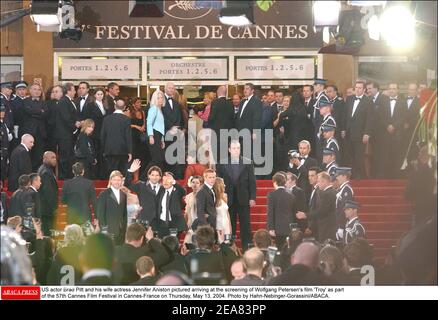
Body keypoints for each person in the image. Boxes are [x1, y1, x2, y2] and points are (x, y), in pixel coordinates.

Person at [216, 140, 256, 251]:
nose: (236, 150)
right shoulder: (222, 163)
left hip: (243, 198)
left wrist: (253, 197)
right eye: (234, 148)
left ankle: (247, 248)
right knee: (229, 225)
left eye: (238, 148)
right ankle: (230, 248)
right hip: (228, 200)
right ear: (229, 150)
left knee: (246, 225)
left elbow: (252, 181)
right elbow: (218, 183)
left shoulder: (248, 162)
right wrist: (219, 198)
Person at [345, 80, 374, 179]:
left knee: (359, 156)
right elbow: (346, 115)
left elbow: (370, 118)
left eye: (360, 88)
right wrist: (344, 129)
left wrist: (367, 133)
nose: (357, 89)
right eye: (356, 88)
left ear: (364, 89)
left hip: (361, 133)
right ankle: (352, 176)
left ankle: (361, 177)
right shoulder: (349, 99)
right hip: (349, 132)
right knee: (350, 155)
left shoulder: (368, 101)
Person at [377, 83, 406, 178]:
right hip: (385, 132)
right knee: (385, 154)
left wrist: (394, 126)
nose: (392, 90)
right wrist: (387, 126)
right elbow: (380, 115)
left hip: (398, 133)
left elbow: (403, 116)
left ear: (397, 90)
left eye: (394, 89)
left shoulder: (403, 101)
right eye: (390, 89)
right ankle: (385, 176)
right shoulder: (383, 101)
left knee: (397, 154)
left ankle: (396, 176)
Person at [405, 145, 436, 226]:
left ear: (421, 157)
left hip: (420, 212)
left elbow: (407, 195)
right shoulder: (435, 173)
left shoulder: (415, 174)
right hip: (434, 213)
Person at [125, 161, 163, 228]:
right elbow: (128, 184)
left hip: (159, 221)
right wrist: (131, 171)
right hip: (144, 220)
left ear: (160, 177)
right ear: (148, 176)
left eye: (157, 175)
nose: (154, 177)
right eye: (152, 175)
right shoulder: (141, 186)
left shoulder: (164, 189)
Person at [101, 98, 132, 175]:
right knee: (122, 173)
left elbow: (103, 135)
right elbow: (128, 136)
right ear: (124, 107)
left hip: (109, 149)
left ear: (115, 106)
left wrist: (103, 149)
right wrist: (130, 151)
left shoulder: (106, 119)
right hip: (123, 149)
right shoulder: (127, 119)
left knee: (111, 173)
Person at [56, 83, 81, 180]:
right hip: (64, 134)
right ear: (69, 91)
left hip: (68, 133)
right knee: (64, 156)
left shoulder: (69, 101)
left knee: (69, 155)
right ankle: (63, 177)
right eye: (74, 90)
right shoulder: (64, 101)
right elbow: (66, 117)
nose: (75, 92)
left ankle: (68, 175)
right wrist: (75, 125)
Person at [96, 170, 127, 245]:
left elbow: (124, 214)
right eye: (114, 179)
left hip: (120, 232)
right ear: (111, 181)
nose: (117, 182)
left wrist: (124, 228)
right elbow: (100, 213)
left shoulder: (124, 195)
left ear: (121, 181)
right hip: (108, 231)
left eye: (119, 180)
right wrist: (104, 230)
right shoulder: (104, 194)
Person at [267, 172, 296, 249]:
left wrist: (271, 228)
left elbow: (270, 213)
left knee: (278, 249)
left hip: (277, 229)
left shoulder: (272, 195)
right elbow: (292, 212)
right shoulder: (291, 195)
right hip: (288, 228)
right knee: (287, 249)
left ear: (275, 182)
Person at [234, 83, 262, 159]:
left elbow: (257, 118)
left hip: (249, 133)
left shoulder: (256, 101)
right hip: (240, 133)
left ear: (252, 90)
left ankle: (250, 170)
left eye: (247, 89)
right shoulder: (242, 101)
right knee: (241, 153)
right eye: (244, 88)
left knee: (249, 154)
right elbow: (239, 117)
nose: (245, 90)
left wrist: (255, 132)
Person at [155, 172, 187, 238]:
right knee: (161, 243)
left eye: (167, 180)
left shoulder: (177, 191)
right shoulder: (161, 191)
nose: (165, 182)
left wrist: (174, 182)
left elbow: (183, 192)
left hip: (174, 224)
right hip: (162, 223)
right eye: (164, 180)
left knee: (173, 243)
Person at [208, 85, 234, 162]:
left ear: (218, 92)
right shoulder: (230, 103)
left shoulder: (215, 102)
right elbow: (233, 118)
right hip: (227, 135)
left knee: (217, 157)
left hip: (217, 134)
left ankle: (219, 173)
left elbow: (211, 118)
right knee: (226, 157)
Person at [162, 82, 183, 178]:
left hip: (176, 134)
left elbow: (179, 117)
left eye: (173, 88)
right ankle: (166, 175)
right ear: (165, 89)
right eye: (170, 88)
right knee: (166, 156)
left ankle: (175, 177)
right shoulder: (160, 101)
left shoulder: (176, 103)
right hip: (165, 133)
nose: (172, 90)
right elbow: (161, 117)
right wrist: (171, 127)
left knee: (175, 155)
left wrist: (177, 127)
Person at [37, 151, 58, 236]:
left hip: (45, 209)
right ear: (45, 159)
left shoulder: (46, 170)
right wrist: (54, 209)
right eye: (52, 157)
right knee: (47, 235)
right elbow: (48, 193)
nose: (55, 160)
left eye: (55, 158)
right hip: (47, 210)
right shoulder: (46, 172)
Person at [311, 172, 337, 243]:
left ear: (324, 181)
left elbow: (321, 212)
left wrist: (306, 215)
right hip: (330, 228)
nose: (317, 184)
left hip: (327, 228)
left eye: (318, 181)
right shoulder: (333, 191)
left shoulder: (327, 194)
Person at [126, 97, 148, 176]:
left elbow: (144, 122)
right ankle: (133, 174)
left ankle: (141, 174)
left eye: (140, 102)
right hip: (133, 136)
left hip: (141, 136)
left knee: (142, 155)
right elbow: (127, 124)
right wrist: (136, 126)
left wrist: (143, 127)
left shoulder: (142, 112)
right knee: (134, 155)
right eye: (137, 102)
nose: (139, 104)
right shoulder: (129, 112)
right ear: (133, 104)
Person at [88, 88, 107, 179]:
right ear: (95, 95)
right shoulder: (91, 105)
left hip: (103, 133)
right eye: (98, 94)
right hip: (95, 133)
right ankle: (94, 175)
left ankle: (102, 174)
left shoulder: (105, 105)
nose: (100, 96)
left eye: (101, 94)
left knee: (102, 155)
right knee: (95, 153)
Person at [146, 90, 166, 172]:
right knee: (156, 159)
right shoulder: (153, 109)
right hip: (154, 134)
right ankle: (143, 178)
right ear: (154, 99)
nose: (160, 99)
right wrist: (151, 136)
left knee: (159, 159)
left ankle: (156, 177)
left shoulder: (159, 110)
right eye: (158, 98)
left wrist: (162, 140)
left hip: (158, 135)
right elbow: (149, 123)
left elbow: (161, 126)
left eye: (161, 97)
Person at [403, 83, 421, 165]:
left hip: (413, 131)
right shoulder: (402, 100)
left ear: (417, 91)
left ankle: (412, 172)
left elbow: (419, 116)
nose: (411, 91)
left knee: (413, 151)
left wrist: (409, 124)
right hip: (402, 131)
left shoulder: (420, 102)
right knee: (403, 150)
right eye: (410, 89)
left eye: (413, 89)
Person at [334, 167, 354, 240]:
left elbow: (345, 209)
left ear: (345, 176)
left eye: (339, 175)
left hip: (344, 224)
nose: (336, 177)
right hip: (340, 223)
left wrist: (341, 226)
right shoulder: (343, 189)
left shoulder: (346, 189)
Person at [315, 97, 336, 164]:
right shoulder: (323, 119)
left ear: (327, 108)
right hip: (321, 146)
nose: (320, 109)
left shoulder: (330, 120)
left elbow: (328, 135)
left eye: (321, 108)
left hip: (325, 146)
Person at [183, 175, 203, 244]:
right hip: (191, 224)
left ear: (201, 184)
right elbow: (186, 212)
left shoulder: (204, 195)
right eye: (193, 182)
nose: (195, 184)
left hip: (201, 225)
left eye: (197, 183)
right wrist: (185, 225)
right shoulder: (188, 196)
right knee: (188, 244)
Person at [45, 85, 63, 153]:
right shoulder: (47, 104)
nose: (54, 93)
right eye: (53, 92)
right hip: (51, 133)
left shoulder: (66, 103)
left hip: (63, 134)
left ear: (62, 93)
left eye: (56, 91)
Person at [1, 105, 13, 182]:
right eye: (1, 111)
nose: (2, 113)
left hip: (5, 150)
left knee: (3, 169)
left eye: (3, 111)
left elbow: (8, 138)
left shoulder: (4, 124)